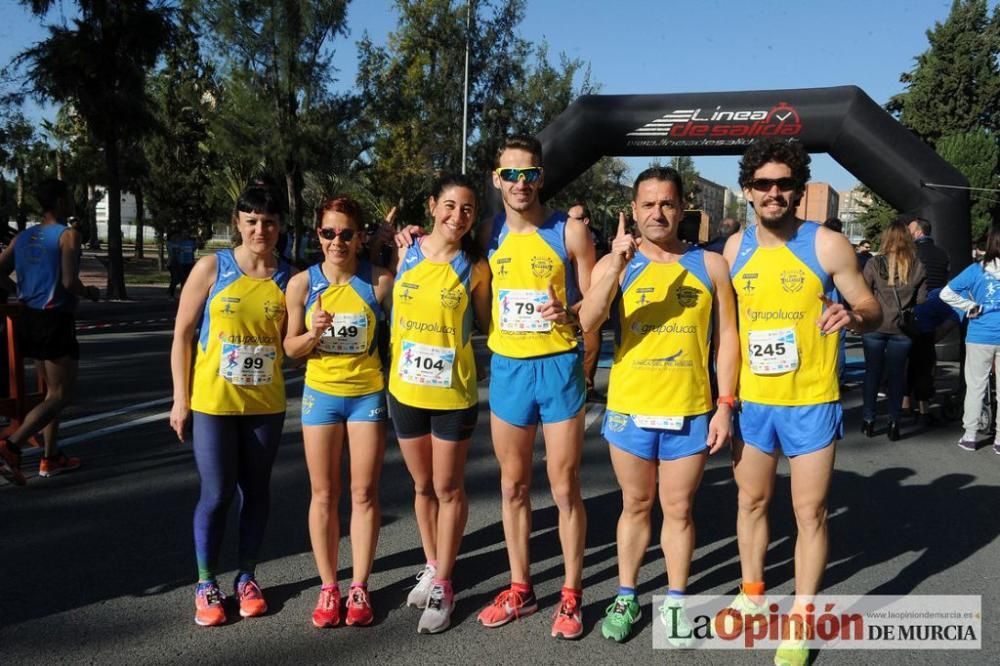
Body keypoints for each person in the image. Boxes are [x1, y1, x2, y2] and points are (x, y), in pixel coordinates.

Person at [722, 138, 881, 666]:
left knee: (809, 511)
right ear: (748, 191)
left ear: (798, 190)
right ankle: (752, 593)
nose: (774, 193)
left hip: (810, 400)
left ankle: (803, 616)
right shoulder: (731, 249)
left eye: (784, 184)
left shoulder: (828, 244)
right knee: (751, 502)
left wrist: (853, 317)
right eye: (763, 184)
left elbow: (870, 305)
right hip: (752, 403)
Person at [579, 168, 739, 643]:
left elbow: (728, 337)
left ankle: (675, 600)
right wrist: (614, 266)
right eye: (647, 204)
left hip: (689, 409)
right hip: (631, 408)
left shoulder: (710, 266)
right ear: (633, 210)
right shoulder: (618, 264)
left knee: (678, 509)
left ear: (682, 207)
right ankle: (626, 594)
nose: (657, 213)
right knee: (636, 503)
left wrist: (725, 403)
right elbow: (587, 320)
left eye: (667, 203)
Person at [477, 134, 596, 639]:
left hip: (557, 369)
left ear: (541, 177)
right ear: (496, 179)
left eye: (529, 174)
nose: (520, 184)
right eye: (511, 175)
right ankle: (521, 587)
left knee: (565, 487)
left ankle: (571, 596)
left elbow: (596, 305)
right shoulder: (487, 231)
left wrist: (569, 312)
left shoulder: (569, 232)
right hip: (509, 369)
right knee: (512, 486)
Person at [169, 178, 291, 627]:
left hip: (265, 405)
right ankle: (206, 582)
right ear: (238, 223)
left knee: (256, 491)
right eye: (253, 221)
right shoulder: (212, 268)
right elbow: (182, 334)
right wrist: (181, 399)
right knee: (218, 492)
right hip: (214, 403)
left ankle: (246, 577)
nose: (261, 230)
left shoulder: (289, 277)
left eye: (270, 222)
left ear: (281, 227)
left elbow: (293, 343)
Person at [283, 196, 393, 629]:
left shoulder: (379, 281)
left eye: (347, 233)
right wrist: (313, 332)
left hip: (367, 394)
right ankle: (329, 586)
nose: (337, 241)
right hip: (321, 397)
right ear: (319, 236)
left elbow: (402, 330)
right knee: (324, 494)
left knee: (363, 493)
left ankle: (359, 586)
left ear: (360, 237)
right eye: (329, 233)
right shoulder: (302, 285)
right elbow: (290, 349)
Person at [388, 174, 491, 634]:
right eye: (449, 206)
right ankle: (432, 563)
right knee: (422, 485)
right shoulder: (404, 251)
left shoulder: (476, 267)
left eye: (467, 209)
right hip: (404, 391)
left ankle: (444, 585)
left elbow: (488, 324)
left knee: (449, 488)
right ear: (432, 206)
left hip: (452, 394)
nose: (457, 216)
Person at [0, 178, 98, 486]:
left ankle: (51, 456)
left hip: (29, 317)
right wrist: (90, 292)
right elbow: (69, 282)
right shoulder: (68, 235)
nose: (70, 202)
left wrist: (21, 290)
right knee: (61, 393)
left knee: (49, 393)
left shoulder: (23, 237)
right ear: (58, 201)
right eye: (67, 197)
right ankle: (11, 445)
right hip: (55, 317)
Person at [861, 219, 927, 441]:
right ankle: (894, 422)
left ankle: (869, 420)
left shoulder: (874, 264)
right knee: (897, 376)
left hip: (875, 324)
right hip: (902, 328)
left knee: (872, 373)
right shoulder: (917, 265)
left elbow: (863, 293)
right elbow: (921, 299)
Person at [941, 220, 1000, 453]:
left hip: (979, 335)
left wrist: (969, 306)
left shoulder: (977, 270)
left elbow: (946, 293)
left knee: (976, 386)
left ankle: (970, 435)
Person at [905, 217, 950, 420]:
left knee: (907, 358)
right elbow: (945, 280)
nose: (908, 232)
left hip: (914, 308)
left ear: (919, 232)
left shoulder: (911, 252)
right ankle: (924, 405)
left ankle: (905, 402)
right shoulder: (942, 254)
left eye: (911, 229)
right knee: (925, 359)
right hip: (935, 308)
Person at [567, 202, 606, 402]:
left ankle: (588, 387)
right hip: (568, 305)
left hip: (589, 303)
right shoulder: (562, 237)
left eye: (575, 219)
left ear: (586, 221)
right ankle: (568, 389)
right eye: (568, 218)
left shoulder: (599, 242)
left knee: (593, 346)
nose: (570, 223)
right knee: (567, 348)